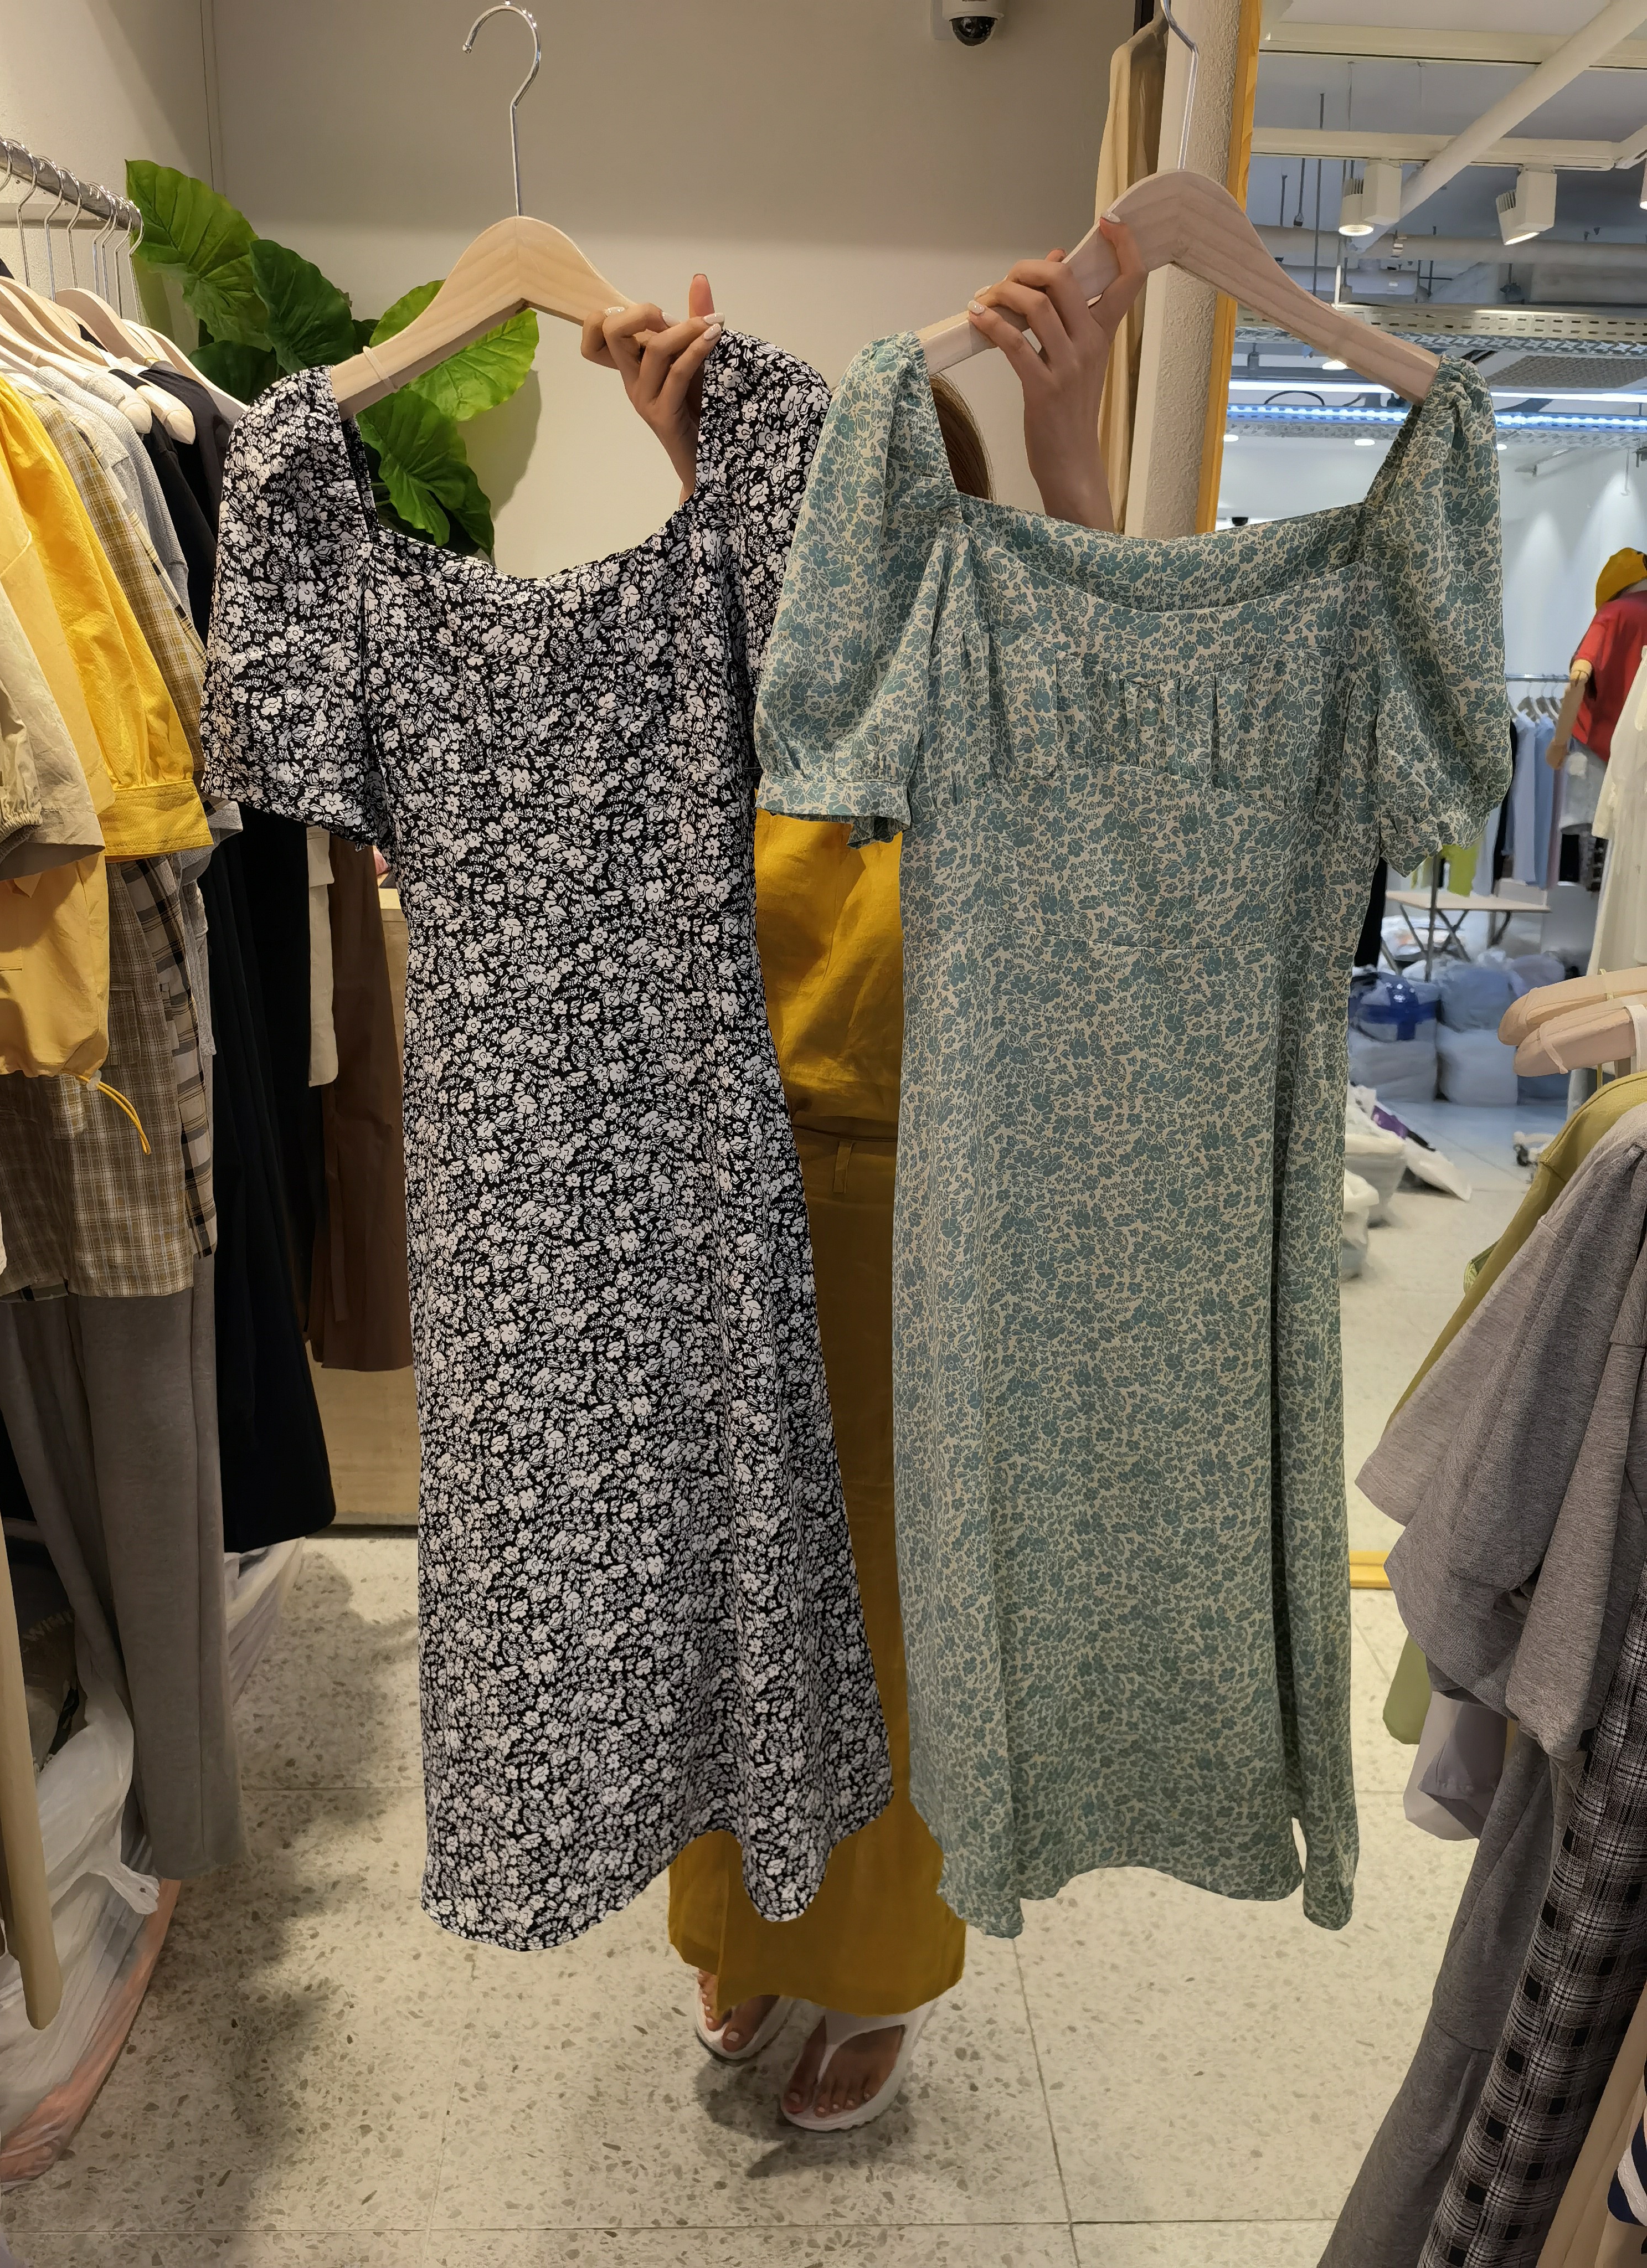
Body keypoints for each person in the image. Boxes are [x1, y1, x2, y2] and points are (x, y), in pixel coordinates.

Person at [581, 219, 1149, 2131]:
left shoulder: (1011, 702)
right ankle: (746, 1924)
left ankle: (879, 1962)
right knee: (736, 1616)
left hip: (932, 1246)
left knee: (895, 1639)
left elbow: (1124, 760)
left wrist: (1070, 452)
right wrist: (696, 474)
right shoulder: (758, 692)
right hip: (736, 1224)